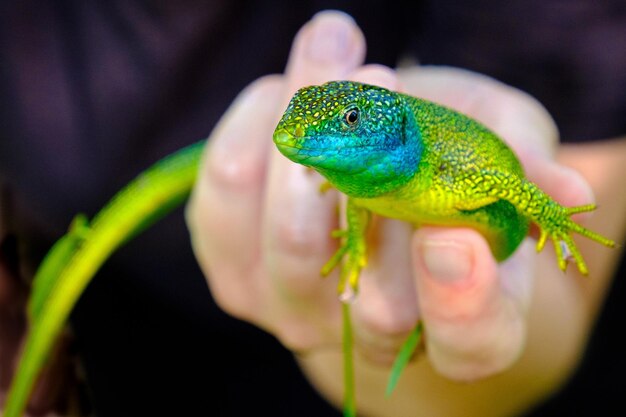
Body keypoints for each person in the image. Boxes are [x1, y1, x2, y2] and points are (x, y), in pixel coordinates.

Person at [2, 3, 625, 416]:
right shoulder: (359, 184)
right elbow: (362, 202)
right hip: (125, 331)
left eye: (350, 120)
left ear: (384, 126)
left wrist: (555, 218)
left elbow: (504, 184)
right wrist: (354, 246)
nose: (306, 134)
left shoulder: (442, 162)